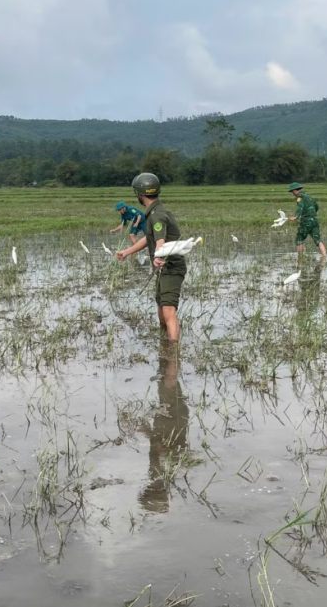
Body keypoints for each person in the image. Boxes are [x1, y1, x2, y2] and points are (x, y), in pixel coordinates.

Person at [116, 173, 185, 341]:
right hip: (162, 268)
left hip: (170, 267)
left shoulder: (157, 215)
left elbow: (159, 239)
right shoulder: (155, 211)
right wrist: (127, 252)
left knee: (168, 310)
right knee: (161, 308)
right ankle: (165, 342)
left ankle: (173, 351)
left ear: (140, 194)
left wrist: (158, 255)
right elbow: (149, 238)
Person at [138, 339, 189, 513]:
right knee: (168, 382)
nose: (147, 488)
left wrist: (148, 432)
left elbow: (159, 447)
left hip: (169, 422)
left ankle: (172, 353)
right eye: (149, 491)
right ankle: (172, 353)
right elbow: (166, 449)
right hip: (173, 420)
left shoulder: (158, 475)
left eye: (146, 491)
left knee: (168, 381)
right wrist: (150, 434)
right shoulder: (165, 474)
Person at [287, 182, 327, 259]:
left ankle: (300, 259)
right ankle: (324, 258)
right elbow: (316, 206)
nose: (292, 193)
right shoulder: (309, 196)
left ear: (295, 190)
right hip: (314, 221)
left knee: (299, 239)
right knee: (318, 240)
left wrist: (296, 217)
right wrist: (312, 215)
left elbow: (300, 207)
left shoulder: (299, 197)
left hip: (306, 221)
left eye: (292, 192)